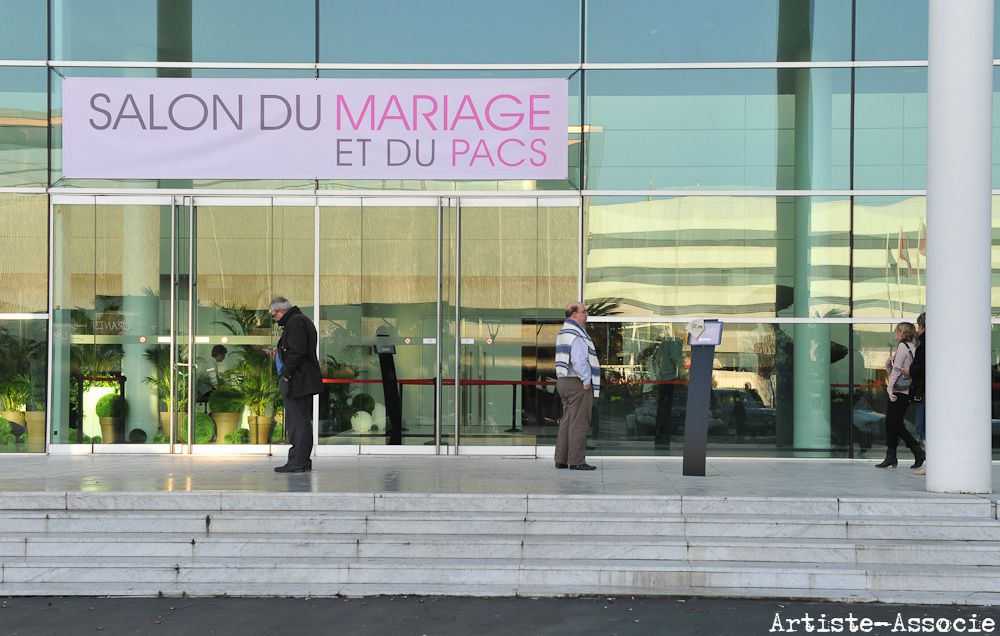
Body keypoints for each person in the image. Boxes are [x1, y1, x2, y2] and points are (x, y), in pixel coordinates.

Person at [269, 297, 323, 473]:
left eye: (274, 314)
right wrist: (280, 352)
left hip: (297, 380)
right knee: (301, 420)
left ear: (282, 311)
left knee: (297, 421)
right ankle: (302, 460)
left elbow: (298, 351)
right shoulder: (300, 320)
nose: (274, 318)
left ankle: (298, 461)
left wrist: (286, 375)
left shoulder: (295, 322)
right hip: (302, 379)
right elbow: (296, 349)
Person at [554, 301, 601, 471]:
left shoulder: (564, 332)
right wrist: (587, 380)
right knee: (579, 423)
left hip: (563, 381)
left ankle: (561, 459)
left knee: (567, 421)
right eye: (584, 311)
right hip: (576, 382)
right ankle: (576, 461)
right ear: (574, 314)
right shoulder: (576, 334)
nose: (587, 314)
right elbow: (579, 360)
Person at [875, 321, 925, 469]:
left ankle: (917, 451)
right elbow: (899, 371)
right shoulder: (912, 347)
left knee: (894, 423)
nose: (895, 334)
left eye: (897, 331)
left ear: (902, 333)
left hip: (899, 392)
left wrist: (889, 389)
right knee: (891, 423)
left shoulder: (903, 346)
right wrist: (888, 367)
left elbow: (897, 371)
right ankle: (891, 456)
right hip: (904, 390)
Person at [654, 328, 682, 449]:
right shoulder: (674, 343)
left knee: (662, 408)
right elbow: (676, 359)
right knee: (667, 409)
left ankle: (660, 436)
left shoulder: (664, 344)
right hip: (670, 379)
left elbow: (658, 359)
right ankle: (664, 436)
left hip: (663, 378)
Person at [908, 312, 927, 474]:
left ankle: (930, 461)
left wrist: (910, 369)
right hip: (930, 391)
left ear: (922, 327)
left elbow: (920, 368)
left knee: (921, 426)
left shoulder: (924, 345)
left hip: (926, 391)